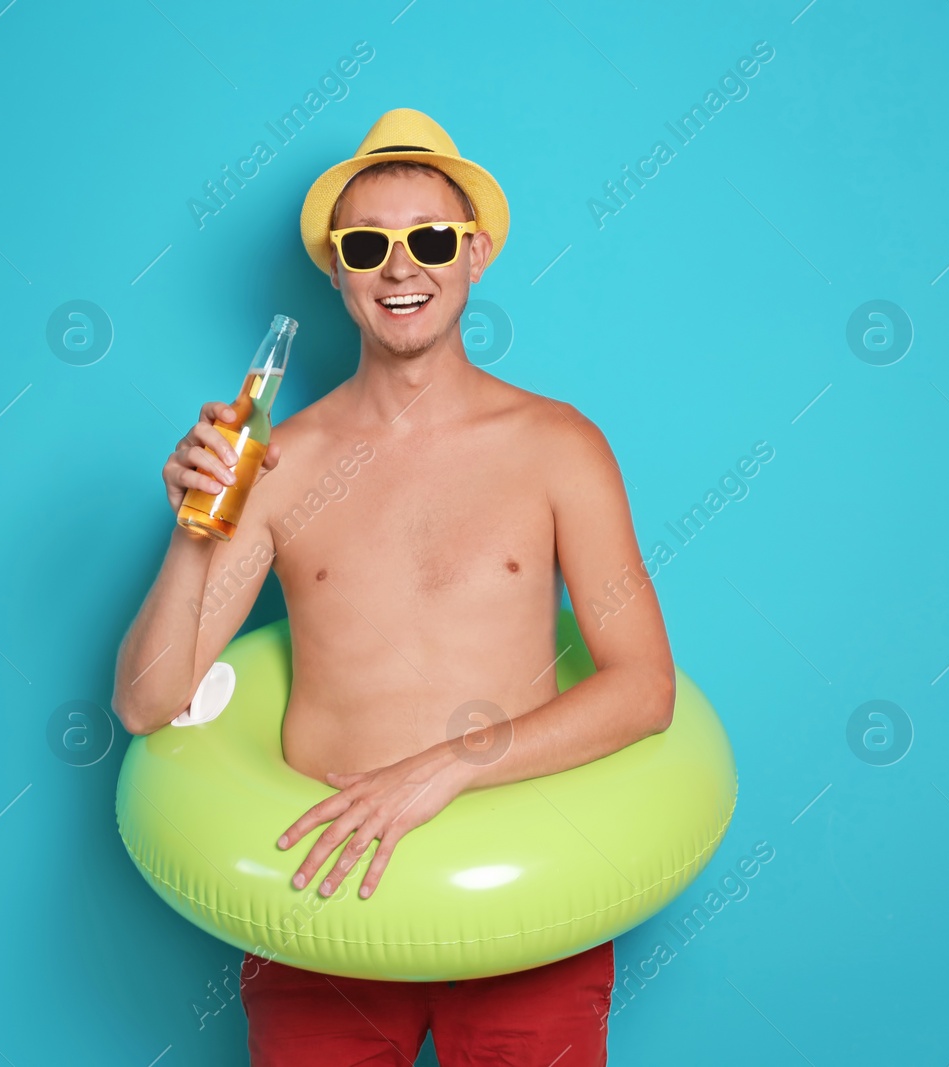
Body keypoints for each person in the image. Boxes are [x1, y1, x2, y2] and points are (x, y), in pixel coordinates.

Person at [112, 107, 676, 1067]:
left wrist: (447, 764)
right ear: (337, 269)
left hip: (522, 886)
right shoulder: (282, 463)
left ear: (477, 253)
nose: (400, 267)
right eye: (369, 244)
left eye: (430, 239)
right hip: (319, 902)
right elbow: (145, 699)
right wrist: (196, 527)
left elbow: (644, 689)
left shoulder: (558, 447)